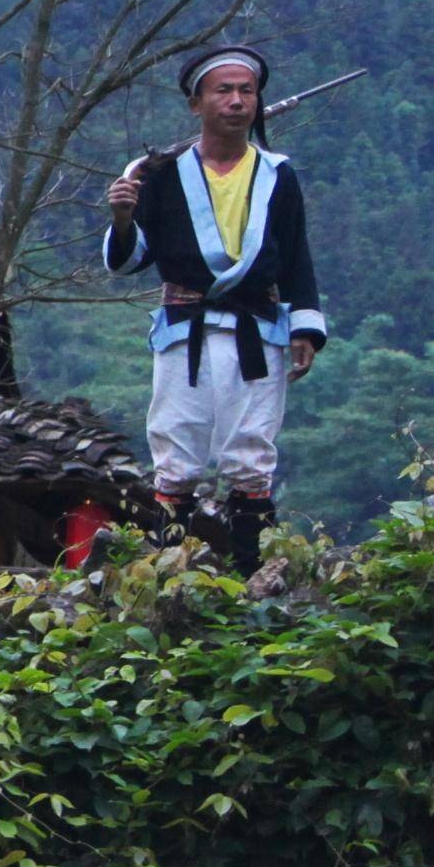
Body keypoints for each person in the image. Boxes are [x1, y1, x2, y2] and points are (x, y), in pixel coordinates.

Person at [106, 44, 326, 570]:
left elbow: (295, 253)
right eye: (222, 90)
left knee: (251, 454)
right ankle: (169, 577)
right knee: (176, 451)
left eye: (246, 91)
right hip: (185, 331)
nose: (236, 101)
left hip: (258, 331)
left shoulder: (278, 174)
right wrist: (121, 218)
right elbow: (132, 259)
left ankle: (254, 579)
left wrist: (305, 328)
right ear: (195, 103)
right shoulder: (157, 175)